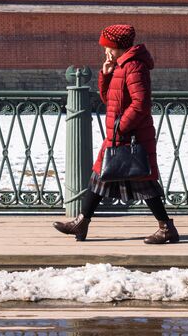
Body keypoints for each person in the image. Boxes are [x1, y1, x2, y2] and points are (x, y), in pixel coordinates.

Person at [53, 24, 179, 244]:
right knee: (99, 177)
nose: (105, 52)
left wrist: (122, 127)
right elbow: (109, 99)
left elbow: (141, 104)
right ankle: (82, 222)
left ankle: (166, 227)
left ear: (118, 46)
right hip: (119, 134)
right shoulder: (121, 66)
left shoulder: (135, 66)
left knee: (143, 182)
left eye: (108, 47)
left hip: (131, 135)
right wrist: (105, 74)